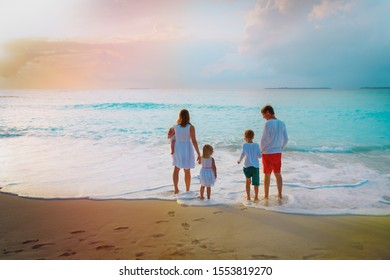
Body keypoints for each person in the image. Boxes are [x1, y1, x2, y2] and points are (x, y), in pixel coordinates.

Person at [169, 109, 201, 194]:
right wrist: (198, 153)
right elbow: (194, 141)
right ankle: (187, 190)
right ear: (188, 116)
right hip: (187, 148)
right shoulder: (191, 127)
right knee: (187, 170)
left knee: (176, 169)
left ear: (180, 116)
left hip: (178, 148)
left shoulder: (174, 126)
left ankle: (176, 189)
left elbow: (169, 137)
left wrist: (172, 148)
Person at [260, 105, 288, 199]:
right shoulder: (282, 123)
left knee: (267, 175)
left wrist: (261, 150)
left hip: (267, 153)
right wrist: (280, 148)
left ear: (268, 112)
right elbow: (286, 139)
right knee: (278, 173)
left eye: (264, 115)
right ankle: (280, 195)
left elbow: (264, 140)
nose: (263, 117)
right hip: (278, 153)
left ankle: (266, 196)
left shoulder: (268, 124)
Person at [237, 129, 262, 201]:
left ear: (245, 137)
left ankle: (248, 197)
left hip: (247, 167)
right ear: (253, 137)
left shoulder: (244, 145)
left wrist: (239, 160)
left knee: (248, 182)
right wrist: (261, 153)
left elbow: (242, 154)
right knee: (256, 183)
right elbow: (260, 156)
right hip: (255, 167)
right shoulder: (256, 145)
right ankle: (256, 197)